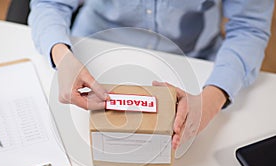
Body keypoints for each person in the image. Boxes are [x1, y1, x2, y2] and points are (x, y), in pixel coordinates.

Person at [28, 0, 274, 150]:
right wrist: (61, 55)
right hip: (91, 52)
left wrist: (214, 97)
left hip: (193, 61)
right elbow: (50, 3)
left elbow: (249, 27)